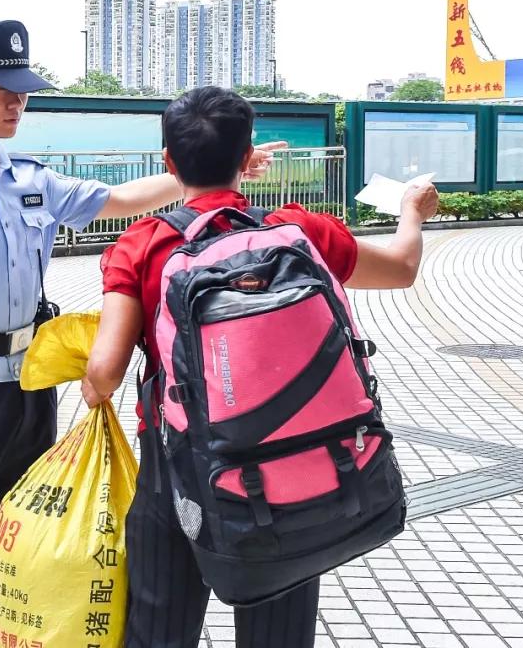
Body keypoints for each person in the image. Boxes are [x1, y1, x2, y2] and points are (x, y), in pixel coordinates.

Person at [0, 21, 286, 648]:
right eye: (0, 88)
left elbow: (117, 199)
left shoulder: (32, 179)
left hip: (30, 393)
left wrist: (209, 178)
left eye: (21, 91)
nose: (15, 102)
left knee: (11, 540)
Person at [82, 86, 439, 647]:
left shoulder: (143, 244)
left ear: (169, 162)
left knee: (159, 627)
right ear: (248, 159)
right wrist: (411, 212)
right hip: (293, 464)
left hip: (177, 468)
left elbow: (103, 373)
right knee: (278, 629)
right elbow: (401, 267)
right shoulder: (300, 231)